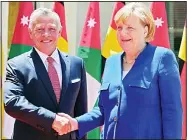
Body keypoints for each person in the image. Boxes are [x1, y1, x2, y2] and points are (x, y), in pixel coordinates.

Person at [58, 2, 183, 139]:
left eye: (130, 28)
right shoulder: (111, 62)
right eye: (119, 28)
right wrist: (75, 123)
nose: (123, 33)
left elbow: (172, 112)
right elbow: (103, 110)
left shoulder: (162, 58)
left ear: (145, 30)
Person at [4, 8, 87, 140]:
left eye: (52, 29)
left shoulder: (77, 64)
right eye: (40, 29)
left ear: (60, 32)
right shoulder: (16, 65)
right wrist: (51, 119)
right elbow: (12, 102)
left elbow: (81, 112)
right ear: (30, 33)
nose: (46, 34)